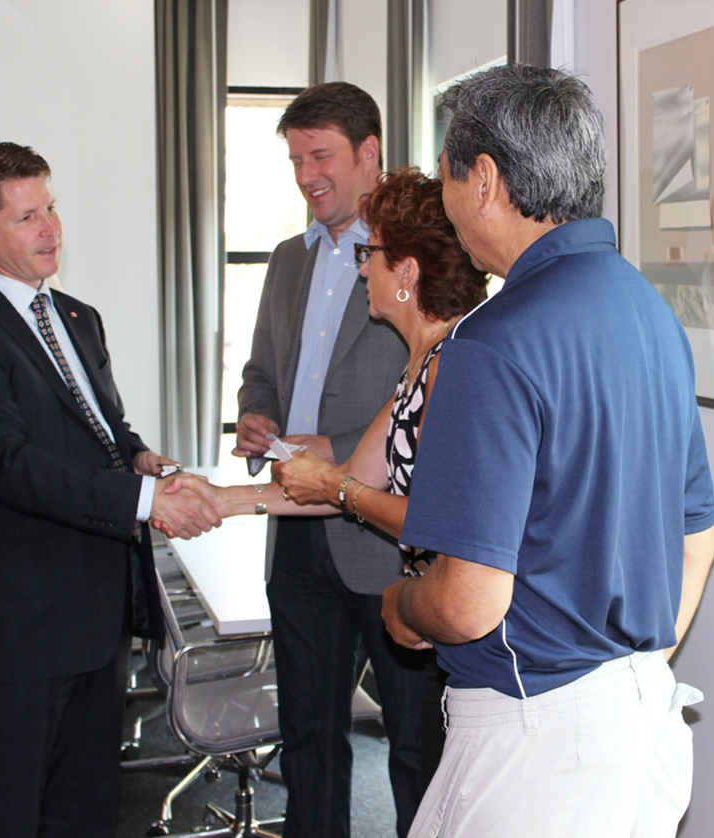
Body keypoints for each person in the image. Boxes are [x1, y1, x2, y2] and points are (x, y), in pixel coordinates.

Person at [381, 64, 714, 838]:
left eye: (446, 177)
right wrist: (622, 665)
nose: (445, 199)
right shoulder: (649, 312)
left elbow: (468, 604)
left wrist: (401, 606)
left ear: (486, 181)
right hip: (637, 722)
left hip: (532, 742)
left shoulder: (492, 344)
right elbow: (699, 533)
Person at [0, 141, 220, 838]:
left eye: (50, 208)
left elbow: (101, 428)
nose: (51, 229)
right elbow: (4, 461)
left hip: (96, 615)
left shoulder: (78, 318)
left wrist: (141, 457)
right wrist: (145, 502)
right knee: (5, 813)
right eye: (27, 217)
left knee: (86, 811)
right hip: (20, 625)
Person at [183, 168, 488, 788]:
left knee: (428, 777)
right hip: (431, 610)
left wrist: (342, 492)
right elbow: (350, 474)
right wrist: (224, 499)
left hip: (452, 616)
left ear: (406, 274)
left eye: (370, 254)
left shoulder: (454, 366)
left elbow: (430, 517)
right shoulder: (419, 366)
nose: (359, 268)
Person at [234, 83, 422, 838]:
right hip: (297, 535)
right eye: (294, 159)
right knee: (308, 735)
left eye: (322, 156)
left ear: (369, 154)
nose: (307, 174)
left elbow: (431, 384)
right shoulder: (286, 260)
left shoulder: (415, 257)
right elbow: (261, 371)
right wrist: (259, 415)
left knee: (414, 742)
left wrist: (338, 455)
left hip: (382, 538)